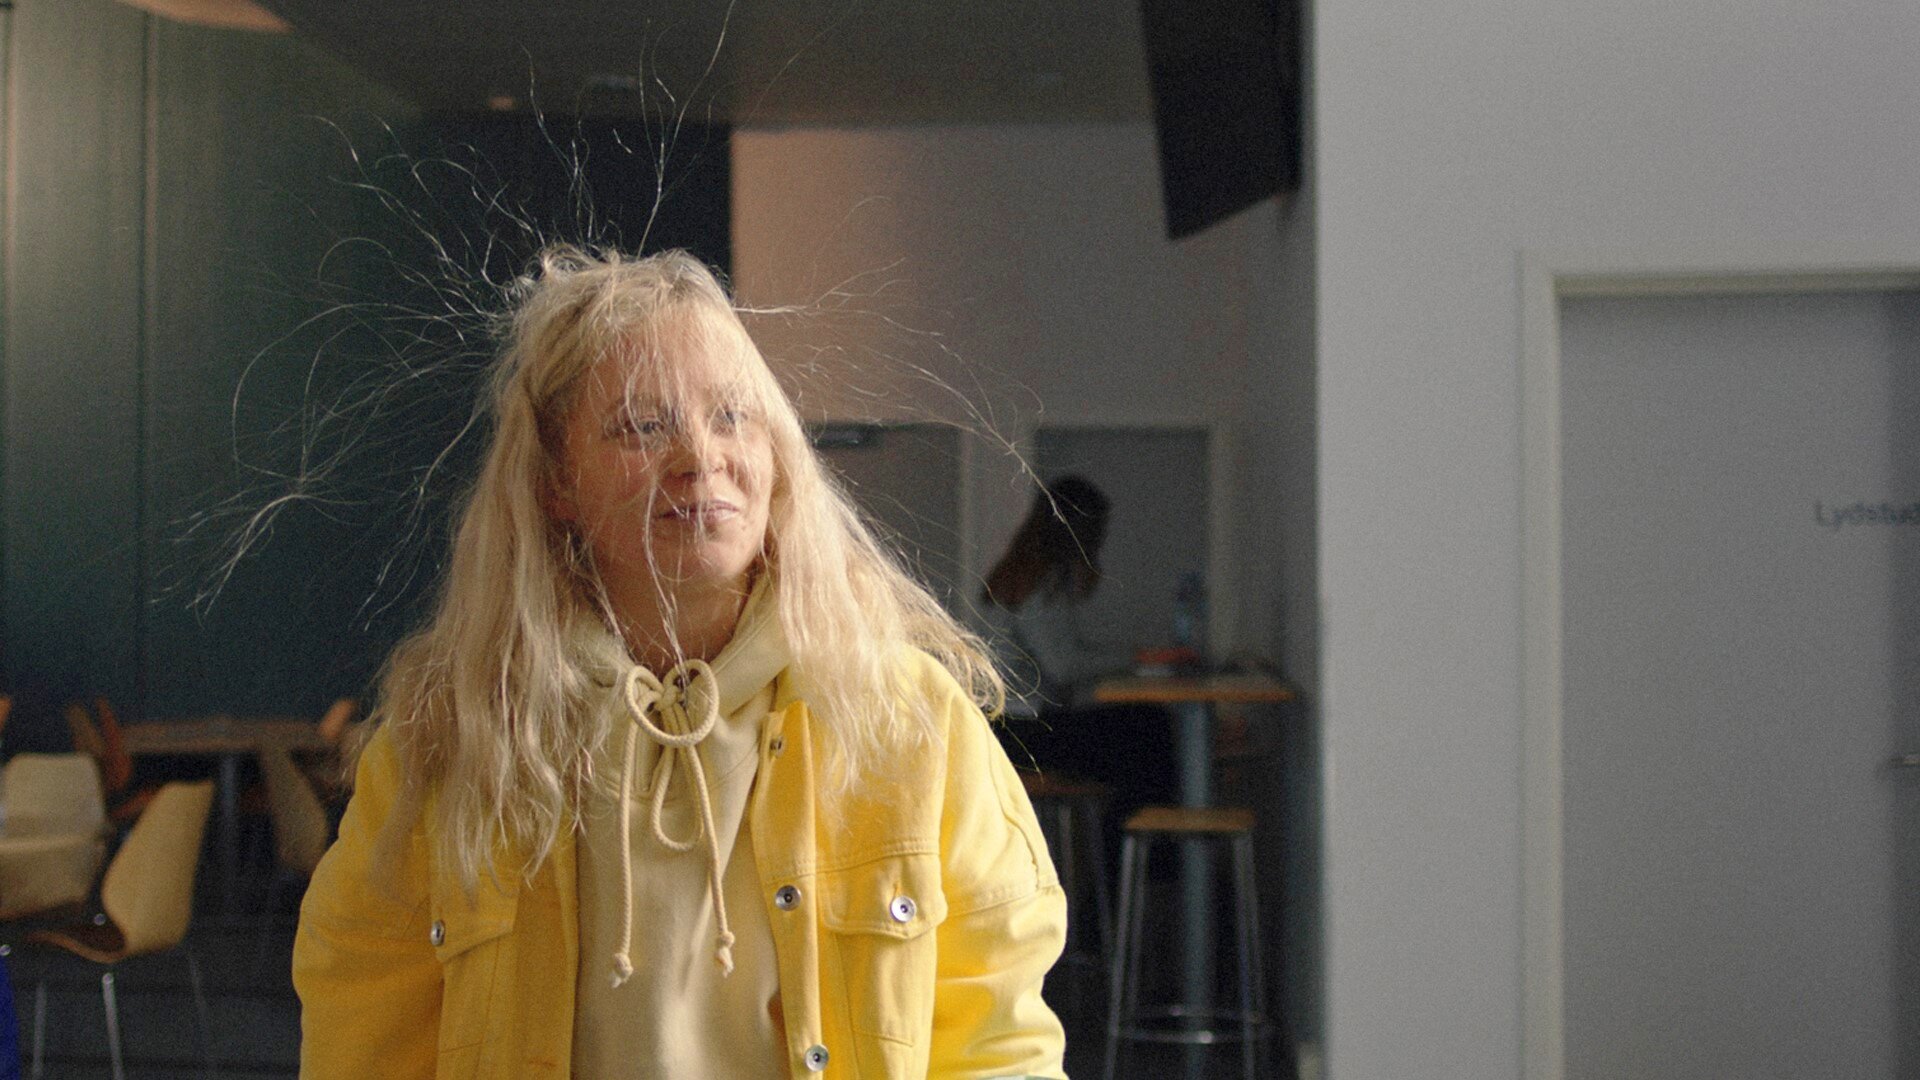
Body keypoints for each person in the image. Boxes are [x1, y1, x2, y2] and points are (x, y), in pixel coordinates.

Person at [292, 246, 1067, 1078]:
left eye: (733, 416)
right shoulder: (458, 734)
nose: (701, 457)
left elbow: (997, 1041)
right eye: (641, 426)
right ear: (556, 482)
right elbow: (361, 1032)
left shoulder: (907, 717)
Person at [981, 478, 1176, 842]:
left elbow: (1062, 658)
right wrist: (1139, 658)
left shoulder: (1017, 575)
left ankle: (1128, 856)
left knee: (1139, 736)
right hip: (1027, 733)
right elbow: (1065, 665)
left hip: (1005, 729)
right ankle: (1140, 855)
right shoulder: (1041, 584)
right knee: (1149, 728)